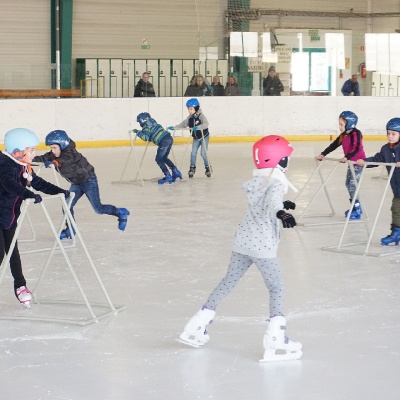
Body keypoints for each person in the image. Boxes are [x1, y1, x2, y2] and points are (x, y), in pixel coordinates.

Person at [178, 135, 302, 362]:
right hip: (262, 245)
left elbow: (264, 202)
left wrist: (283, 205)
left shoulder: (258, 181)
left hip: (243, 241)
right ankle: (276, 338)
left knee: (228, 281)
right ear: (279, 160)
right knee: (276, 287)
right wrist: (281, 212)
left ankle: (197, 324)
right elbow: (273, 203)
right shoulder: (276, 182)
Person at [0, 128, 70, 307]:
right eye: (31, 150)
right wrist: (27, 194)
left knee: (13, 252)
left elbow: (38, 183)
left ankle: (20, 286)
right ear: (18, 151)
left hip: (9, 216)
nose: (34, 153)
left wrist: (60, 191)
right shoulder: (4, 164)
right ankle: (21, 285)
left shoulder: (24, 165)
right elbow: (8, 184)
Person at [33, 130, 130, 239]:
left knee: (98, 208)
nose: (53, 151)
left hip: (88, 181)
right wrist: (28, 159)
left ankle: (120, 212)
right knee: (67, 205)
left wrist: (55, 163)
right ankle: (70, 229)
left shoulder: (71, 153)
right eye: (51, 148)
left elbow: (65, 160)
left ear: (63, 144)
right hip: (76, 183)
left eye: (54, 148)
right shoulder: (54, 155)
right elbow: (43, 158)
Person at [356, 118, 400, 245]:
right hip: (397, 188)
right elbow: (377, 159)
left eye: (394, 134)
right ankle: (396, 233)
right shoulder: (386, 149)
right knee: (396, 209)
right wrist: (364, 162)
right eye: (388, 133)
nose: (390, 136)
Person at [317, 111, 366, 219]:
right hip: (351, 163)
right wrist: (323, 153)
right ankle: (354, 206)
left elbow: (356, 148)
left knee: (352, 186)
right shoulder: (344, 135)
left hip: (358, 163)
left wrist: (347, 156)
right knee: (348, 184)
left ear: (349, 124)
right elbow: (334, 145)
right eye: (339, 124)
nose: (339, 126)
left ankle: (357, 208)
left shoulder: (355, 134)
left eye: (341, 124)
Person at [133, 112, 182, 184]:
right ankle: (176, 171)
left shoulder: (146, 127)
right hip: (169, 138)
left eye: (139, 122)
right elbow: (153, 132)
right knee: (164, 158)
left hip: (163, 141)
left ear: (142, 121)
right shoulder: (154, 122)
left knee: (158, 159)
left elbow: (145, 137)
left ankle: (167, 175)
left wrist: (138, 132)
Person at [167, 98, 211, 178]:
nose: (189, 111)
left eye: (191, 109)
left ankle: (207, 167)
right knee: (193, 153)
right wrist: (175, 127)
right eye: (188, 109)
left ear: (196, 108)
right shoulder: (189, 118)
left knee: (203, 153)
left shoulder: (201, 116)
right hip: (196, 138)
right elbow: (183, 125)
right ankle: (192, 167)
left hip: (204, 137)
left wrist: (198, 127)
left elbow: (206, 124)